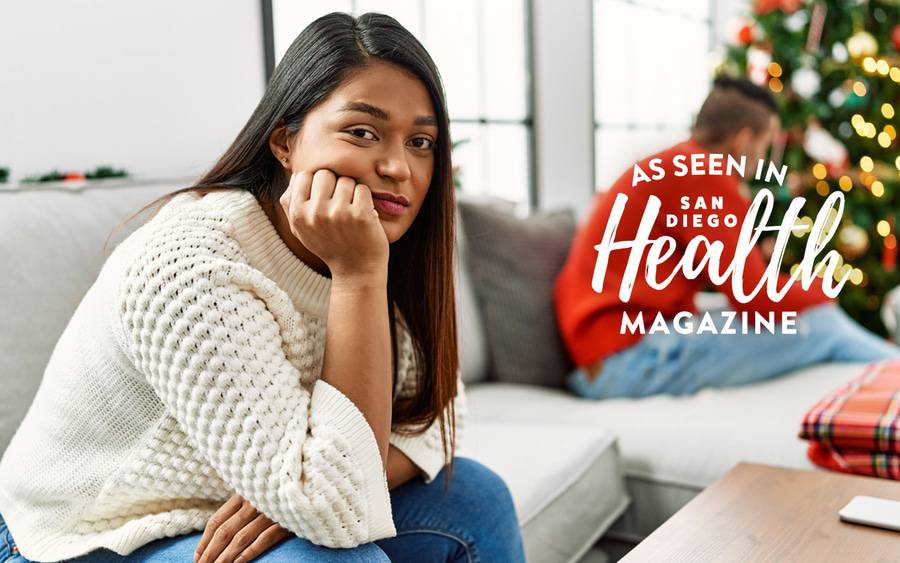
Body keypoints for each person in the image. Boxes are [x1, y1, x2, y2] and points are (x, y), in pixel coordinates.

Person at [0, 12, 525, 563]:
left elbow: (440, 413)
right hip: (76, 539)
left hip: (232, 508)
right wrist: (359, 277)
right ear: (284, 143)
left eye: (421, 142)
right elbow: (334, 510)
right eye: (362, 132)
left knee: (475, 498)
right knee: (334, 560)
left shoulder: (364, 242)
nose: (398, 166)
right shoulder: (193, 267)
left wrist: (296, 496)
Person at [554, 75, 900, 401]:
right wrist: (824, 290)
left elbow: (732, 282)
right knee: (822, 325)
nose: (764, 158)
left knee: (811, 321)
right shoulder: (703, 173)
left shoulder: (678, 164)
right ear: (744, 139)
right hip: (620, 362)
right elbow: (754, 297)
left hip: (606, 355)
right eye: (766, 146)